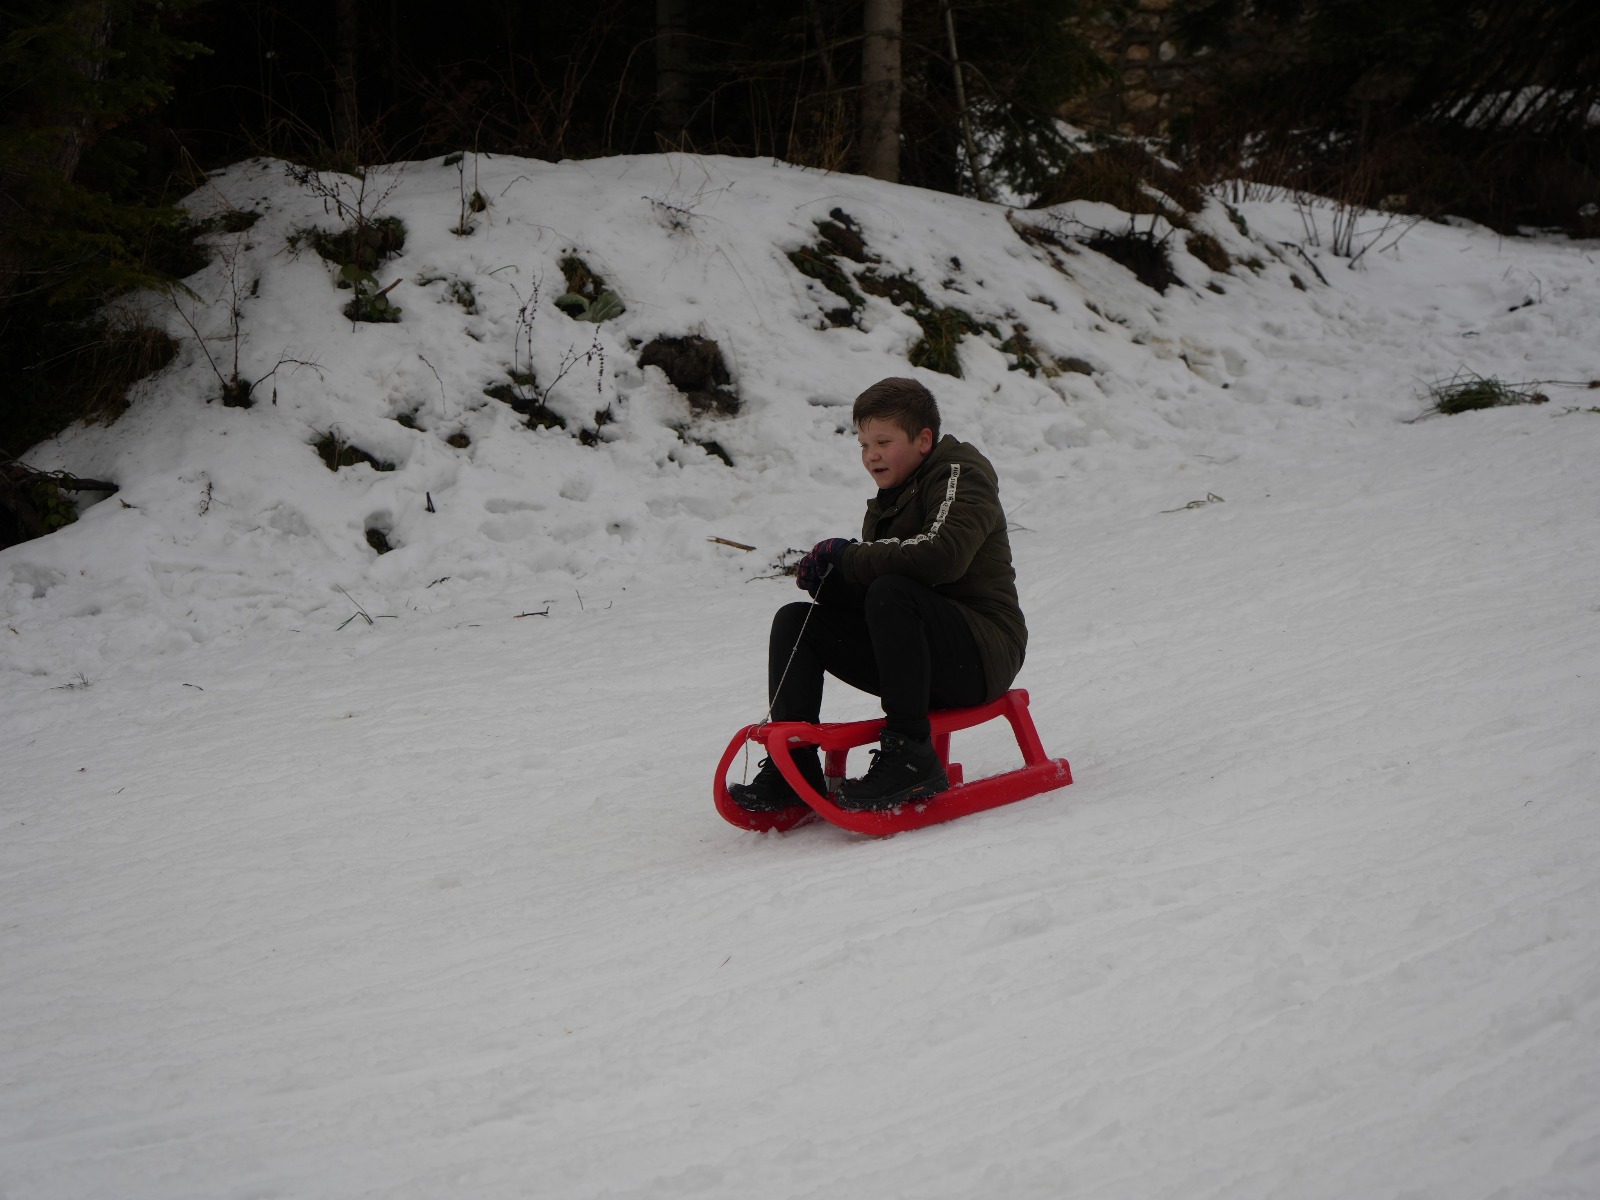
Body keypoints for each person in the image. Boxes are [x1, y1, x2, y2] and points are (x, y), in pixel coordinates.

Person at [730, 377, 1028, 813]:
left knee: (891, 591)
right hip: (922, 661)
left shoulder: (961, 476)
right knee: (797, 620)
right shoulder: (890, 500)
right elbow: (881, 592)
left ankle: (911, 759)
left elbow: (941, 557)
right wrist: (832, 583)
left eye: (883, 441)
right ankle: (793, 766)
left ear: (923, 439)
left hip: (983, 654)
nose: (871, 455)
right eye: (863, 443)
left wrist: (851, 557)